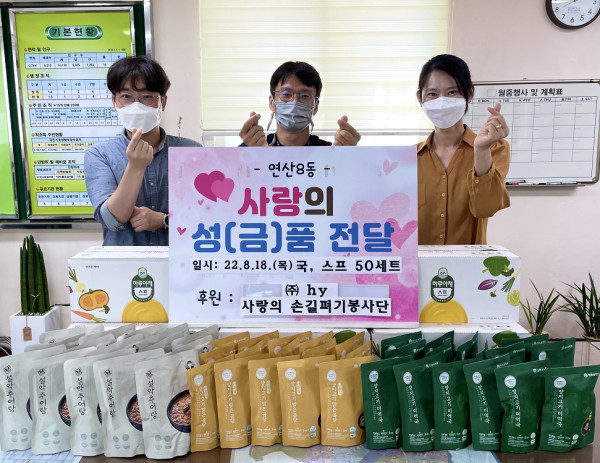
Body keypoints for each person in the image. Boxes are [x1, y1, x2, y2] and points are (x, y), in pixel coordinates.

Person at [85, 56, 201, 245]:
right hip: (125, 261)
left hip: (179, 258)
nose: (136, 106)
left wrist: (164, 220)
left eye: (147, 96)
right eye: (126, 96)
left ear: (163, 102)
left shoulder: (191, 151)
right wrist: (136, 167)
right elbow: (111, 220)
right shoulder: (100, 154)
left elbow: (207, 214)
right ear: (114, 101)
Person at [416, 54, 510, 245]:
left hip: (468, 263)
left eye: (452, 92)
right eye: (432, 94)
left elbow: (486, 208)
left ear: (469, 93)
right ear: (420, 98)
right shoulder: (408, 159)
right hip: (417, 263)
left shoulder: (495, 148)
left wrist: (481, 151)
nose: (442, 102)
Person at [239, 61, 361, 147]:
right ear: (272, 103)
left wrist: (350, 157)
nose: (295, 102)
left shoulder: (330, 152)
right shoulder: (254, 147)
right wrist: (246, 155)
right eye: (286, 94)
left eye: (305, 96)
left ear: (315, 106)